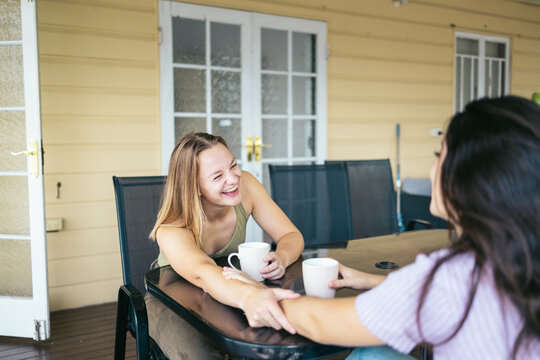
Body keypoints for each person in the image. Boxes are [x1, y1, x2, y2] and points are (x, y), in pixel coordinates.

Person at [225, 96, 540, 359]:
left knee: (369, 353)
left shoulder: (456, 277)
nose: (432, 170)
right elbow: (430, 299)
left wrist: (253, 294)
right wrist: (370, 281)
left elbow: (320, 322)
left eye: (438, 157)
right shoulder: (516, 261)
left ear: (472, 181)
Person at [147, 132, 304, 359]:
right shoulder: (172, 227)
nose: (233, 178)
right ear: (195, 186)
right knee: (200, 354)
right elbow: (203, 275)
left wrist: (282, 256)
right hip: (172, 295)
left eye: (233, 166)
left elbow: (291, 234)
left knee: (265, 347)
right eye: (217, 176)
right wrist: (249, 298)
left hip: (228, 285)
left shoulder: (247, 185)